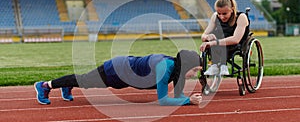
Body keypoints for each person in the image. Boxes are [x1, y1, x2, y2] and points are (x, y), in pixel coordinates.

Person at [34, 50, 203, 106]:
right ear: (186, 66)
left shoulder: (178, 71)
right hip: (117, 69)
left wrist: (189, 99)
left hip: (127, 76)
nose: (194, 74)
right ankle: (45, 86)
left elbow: (179, 97)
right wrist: (188, 101)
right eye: (194, 70)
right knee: (85, 80)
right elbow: (163, 100)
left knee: (85, 81)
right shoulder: (164, 67)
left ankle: (68, 85)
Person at [199, 0, 249, 76]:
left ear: (232, 9)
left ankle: (222, 66)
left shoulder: (241, 17)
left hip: (235, 44)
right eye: (219, 13)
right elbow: (203, 36)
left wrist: (214, 42)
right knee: (214, 36)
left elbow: (235, 39)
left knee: (219, 41)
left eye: (225, 14)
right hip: (219, 42)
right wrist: (208, 37)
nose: (221, 17)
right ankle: (214, 65)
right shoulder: (215, 16)